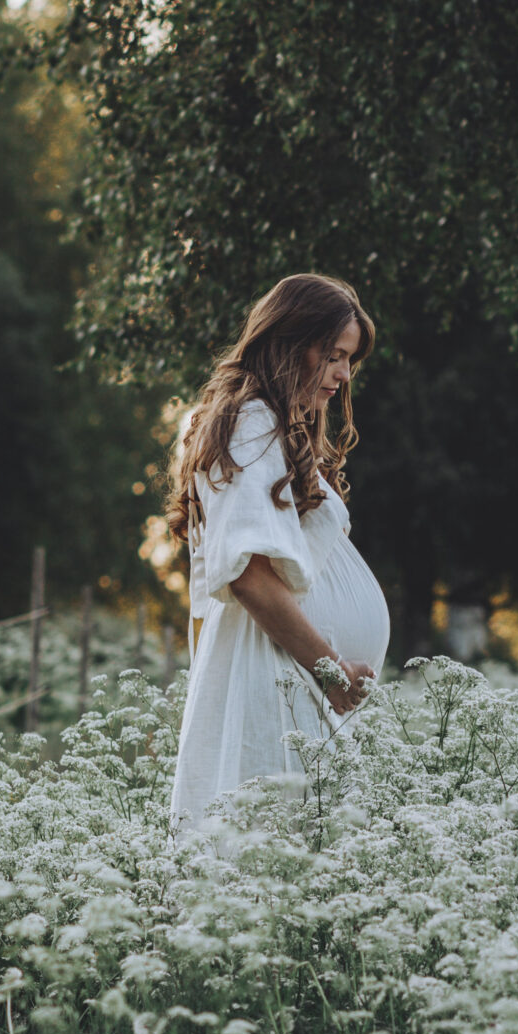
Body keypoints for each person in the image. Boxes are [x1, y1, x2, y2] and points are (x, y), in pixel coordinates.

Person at [166, 273, 390, 832]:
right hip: (267, 675)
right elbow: (251, 579)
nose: (343, 375)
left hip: (288, 678)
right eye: (335, 355)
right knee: (269, 857)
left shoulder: (266, 425)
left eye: (350, 360)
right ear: (291, 342)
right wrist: (331, 669)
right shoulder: (250, 423)